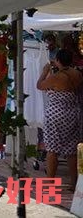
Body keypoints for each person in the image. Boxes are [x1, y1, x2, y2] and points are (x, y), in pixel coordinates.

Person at [37, 49, 82, 189]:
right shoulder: (78, 74)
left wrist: (45, 71)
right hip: (73, 113)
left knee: (52, 149)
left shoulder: (57, 77)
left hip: (56, 114)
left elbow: (40, 86)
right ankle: (74, 182)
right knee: (72, 150)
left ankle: (50, 182)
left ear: (58, 60)